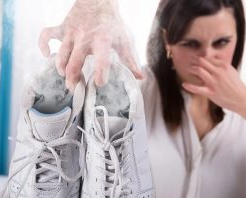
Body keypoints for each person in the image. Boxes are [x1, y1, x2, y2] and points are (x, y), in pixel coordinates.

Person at [38, 0, 246, 197]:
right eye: (191, 44)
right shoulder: (134, 90)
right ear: (168, 43)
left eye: (221, 42)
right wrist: (95, 7)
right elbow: (90, 74)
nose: (207, 57)